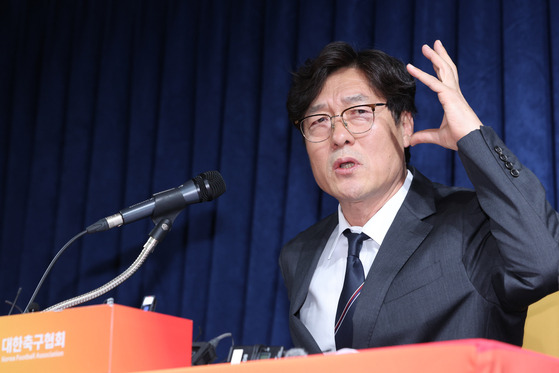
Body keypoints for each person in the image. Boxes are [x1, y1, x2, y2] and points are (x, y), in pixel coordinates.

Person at [279, 40, 559, 354]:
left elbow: (544, 263)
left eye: (358, 112)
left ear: (405, 125)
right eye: (319, 121)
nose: (339, 135)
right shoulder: (298, 253)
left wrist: (472, 136)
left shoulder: (472, 222)